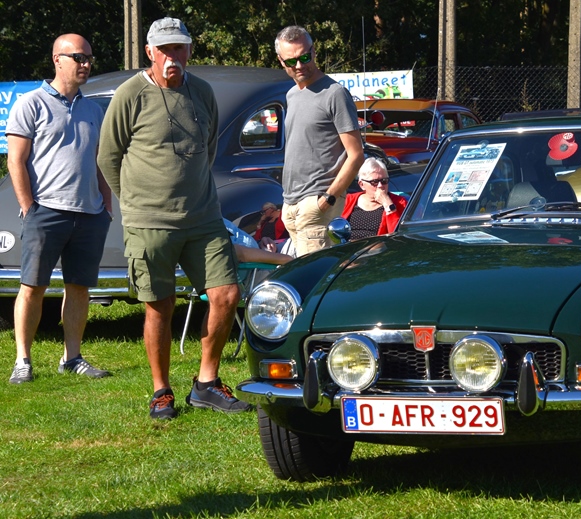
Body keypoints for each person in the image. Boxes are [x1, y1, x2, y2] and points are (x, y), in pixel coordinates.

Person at [97, 17, 250, 419]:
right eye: (164, 50)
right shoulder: (130, 94)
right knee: (159, 306)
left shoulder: (202, 91)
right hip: (149, 222)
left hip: (203, 217)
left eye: (178, 48)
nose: (171, 57)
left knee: (226, 295)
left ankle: (206, 384)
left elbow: (209, 147)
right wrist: (136, 203)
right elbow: (108, 156)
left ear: (189, 50)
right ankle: (161, 391)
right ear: (149, 52)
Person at [6, 34, 112, 384]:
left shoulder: (93, 109)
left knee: (79, 288)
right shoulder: (31, 103)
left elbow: (99, 161)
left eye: (89, 58)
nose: (86, 64)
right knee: (32, 287)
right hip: (45, 212)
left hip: (90, 214)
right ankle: (23, 360)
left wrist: (106, 205)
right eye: (79, 57)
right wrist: (29, 207)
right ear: (57, 59)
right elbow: (15, 161)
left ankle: (72, 357)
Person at [275, 25, 364, 256]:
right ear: (281, 61)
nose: (299, 65)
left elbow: (356, 155)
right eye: (291, 61)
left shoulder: (335, 93)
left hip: (318, 203)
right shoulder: (292, 94)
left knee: (315, 276)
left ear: (314, 52)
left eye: (304, 57)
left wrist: (327, 199)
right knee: (304, 274)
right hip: (291, 204)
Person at [341, 158, 407, 240]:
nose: (380, 186)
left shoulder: (399, 202)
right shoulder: (348, 200)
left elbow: (398, 236)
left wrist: (388, 204)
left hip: (378, 246)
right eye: (375, 182)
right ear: (362, 184)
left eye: (384, 181)